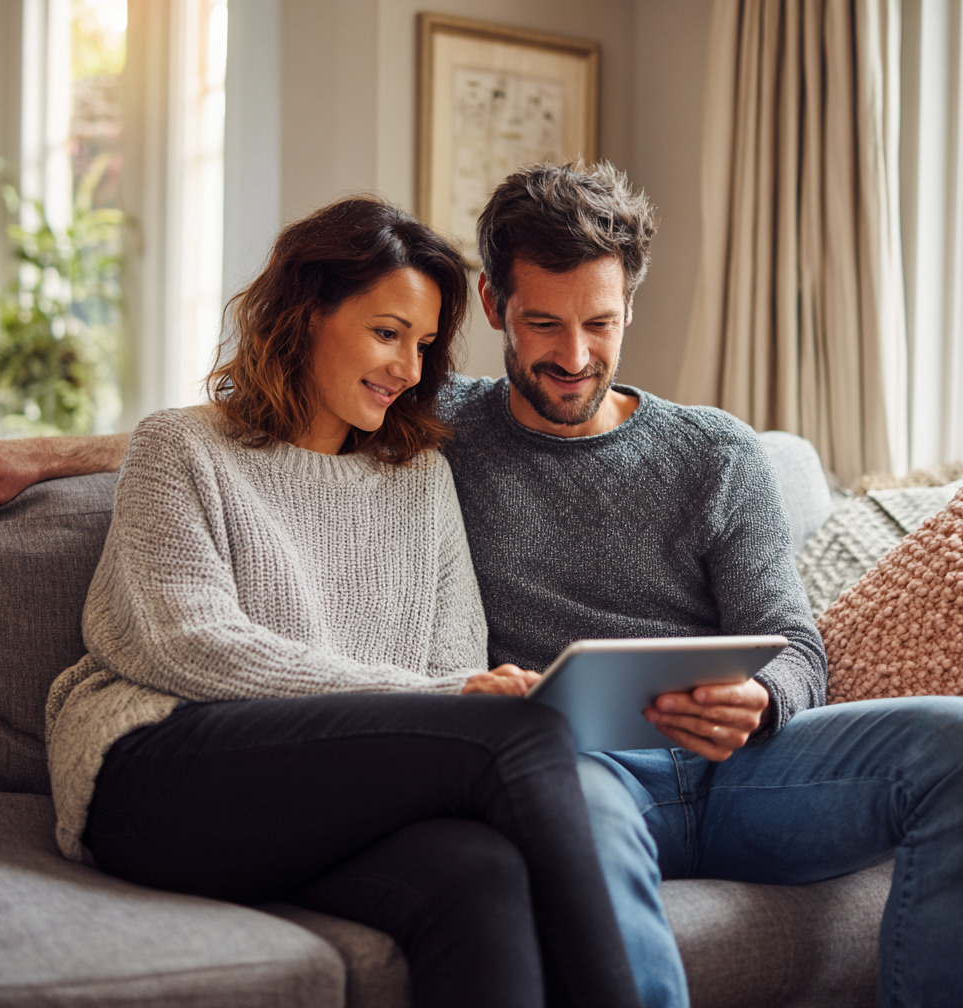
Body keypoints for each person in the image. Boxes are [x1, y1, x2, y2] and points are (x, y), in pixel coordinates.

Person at [0, 163, 963, 1008]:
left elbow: (787, 638)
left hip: (730, 767)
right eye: (543, 325)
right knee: (538, 763)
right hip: (556, 764)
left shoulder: (664, 452)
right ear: (497, 307)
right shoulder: (433, 424)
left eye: (599, 325)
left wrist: (765, 693)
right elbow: (259, 430)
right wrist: (44, 454)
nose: (572, 356)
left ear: (629, 305)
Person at [35, 197, 643, 1008]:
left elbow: (450, 662)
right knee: (518, 733)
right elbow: (189, 644)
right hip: (153, 772)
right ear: (304, 315)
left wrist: (442, 694)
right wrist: (433, 699)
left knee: (481, 872)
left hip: (325, 796)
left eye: (424, 345)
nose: (408, 368)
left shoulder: (420, 478)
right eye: (387, 333)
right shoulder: (179, 448)